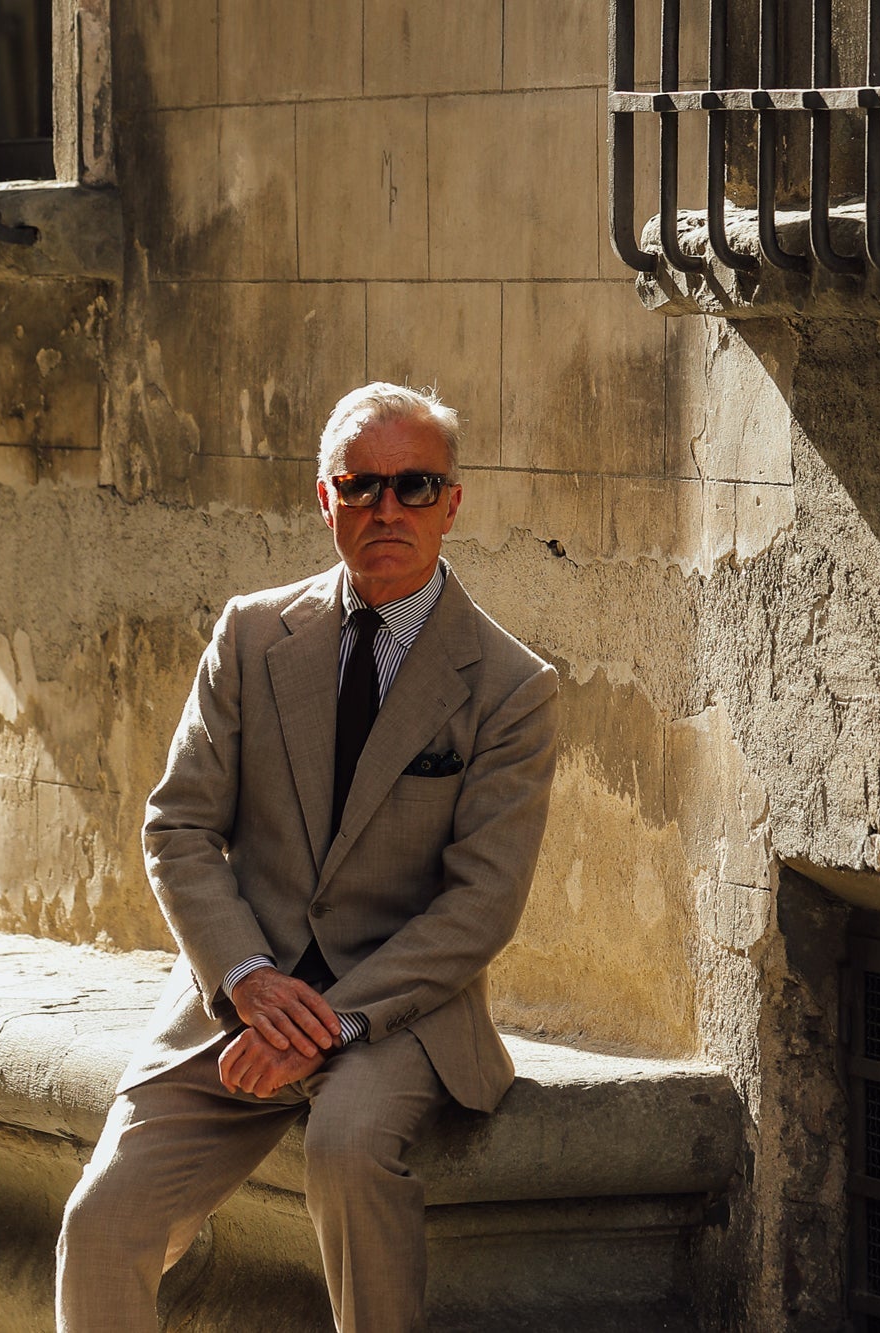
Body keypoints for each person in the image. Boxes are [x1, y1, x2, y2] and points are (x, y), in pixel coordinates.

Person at [56, 383, 561, 1332]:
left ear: (453, 503)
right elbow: (178, 828)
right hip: (241, 1000)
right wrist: (246, 977)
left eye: (415, 486)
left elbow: (480, 908)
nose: (387, 510)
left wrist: (325, 1023)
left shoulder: (509, 687)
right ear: (324, 500)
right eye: (361, 486)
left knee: (347, 1146)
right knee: (101, 1219)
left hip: (398, 1007)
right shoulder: (251, 636)